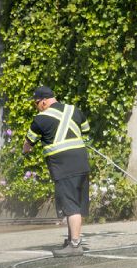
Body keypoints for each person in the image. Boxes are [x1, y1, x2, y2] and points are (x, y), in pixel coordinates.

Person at [23, 85, 91, 257]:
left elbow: (28, 143)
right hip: (82, 163)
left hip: (63, 166)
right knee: (76, 203)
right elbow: (86, 132)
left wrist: (25, 150)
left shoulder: (40, 119)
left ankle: (75, 245)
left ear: (44, 101)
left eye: (36, 103)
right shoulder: (75, 110)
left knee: (70, 205)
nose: (36, 107)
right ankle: (71, 239)